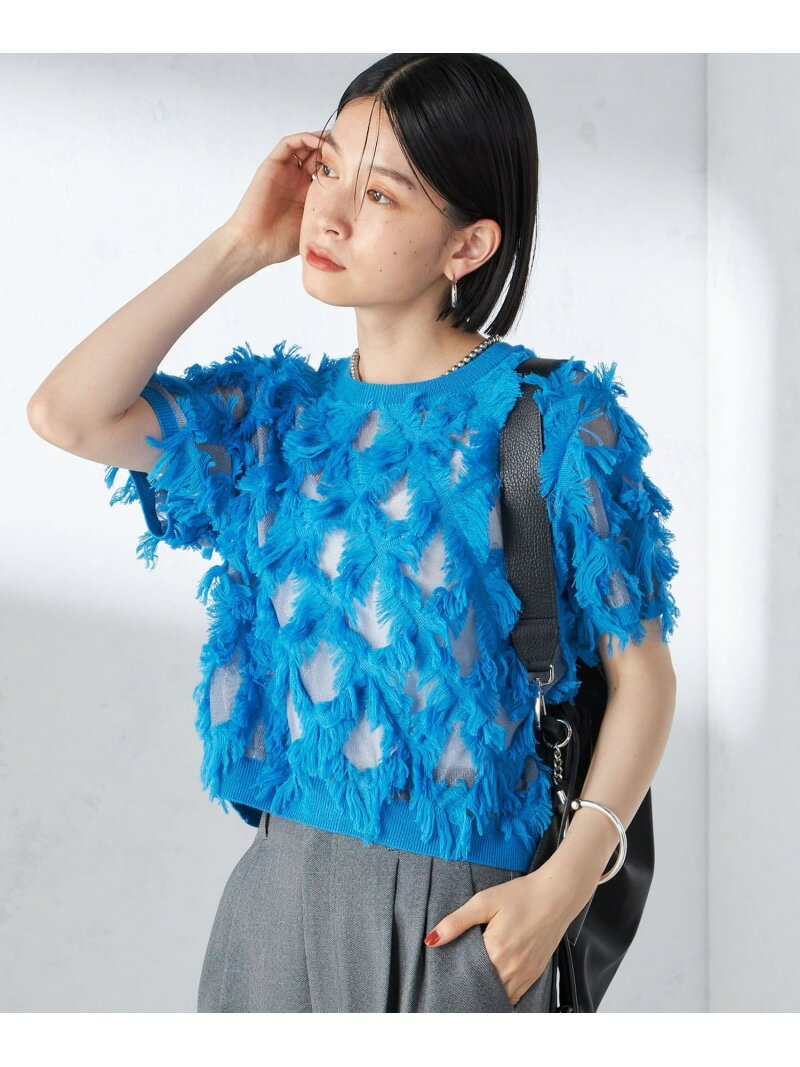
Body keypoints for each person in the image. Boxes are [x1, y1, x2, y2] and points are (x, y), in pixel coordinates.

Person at [27, 53, 680, 1013]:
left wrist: (566, 884)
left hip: (465, 909)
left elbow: (644, 674)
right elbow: (67, 413)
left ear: (469, 245)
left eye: (380, 194)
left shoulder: (552, 420)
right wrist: (238, 245)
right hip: (276, 898)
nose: (328, 215)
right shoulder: (276, 418)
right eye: (328, 169)